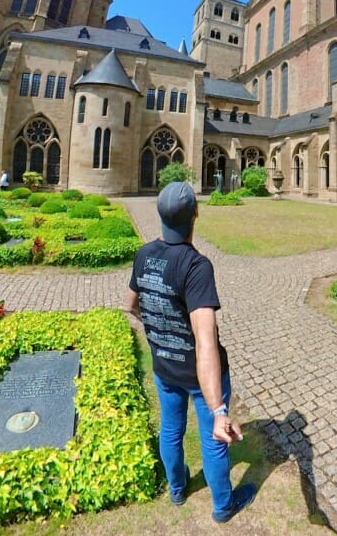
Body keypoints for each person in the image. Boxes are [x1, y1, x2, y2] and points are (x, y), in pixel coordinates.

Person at [126, 182, 256, 522]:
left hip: (164, 368)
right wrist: (219, 410)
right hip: (198, 376)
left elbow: (131, 304)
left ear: (159, 214)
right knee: (213, 439)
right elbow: (205, 341)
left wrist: (161, 328)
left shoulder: (143, 254)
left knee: (170, 430)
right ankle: (223, 506)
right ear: (195, 215)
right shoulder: (197, 266)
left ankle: (177, 488)